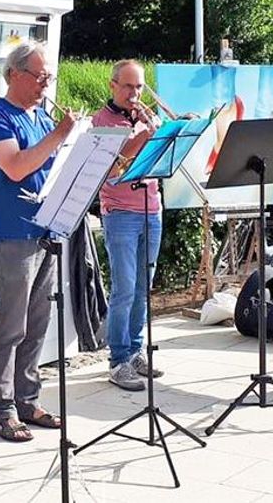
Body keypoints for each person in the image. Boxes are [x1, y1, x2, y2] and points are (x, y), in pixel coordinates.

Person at [0, 42, 75, 442]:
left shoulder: (39, 116)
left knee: (37, 325)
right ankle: (1, 410)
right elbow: (16, 168)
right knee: (11, 327)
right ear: (15, 74)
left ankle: (27, 400)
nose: (45, 84)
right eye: (40, 76)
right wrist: (60, 135)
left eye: (48, 77)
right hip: (12, 233)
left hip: (45, 230)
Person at [91, 59, 164, 391]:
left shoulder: (144, 117)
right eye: (128, 86)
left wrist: (162, 135)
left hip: (152, 208)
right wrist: (143, 136)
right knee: (124, 289)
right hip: (120, 212)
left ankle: (135, 351)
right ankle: (118, 360)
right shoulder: (102, 121)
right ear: (113, 86)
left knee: (143, 289)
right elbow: (111, 169)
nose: (135, 93)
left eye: (139, 87)